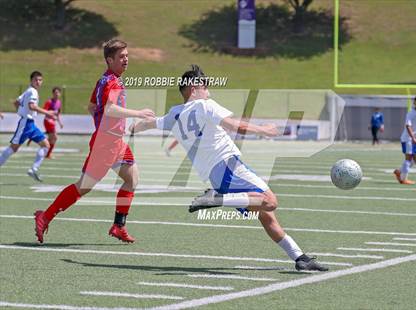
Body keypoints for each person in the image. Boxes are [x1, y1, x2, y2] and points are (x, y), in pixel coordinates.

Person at [131, 65, 328, 272]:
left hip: (215, 176)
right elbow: (234, 125)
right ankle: (217, 198)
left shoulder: (175, 114)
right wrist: (264, 130)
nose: (208, 89)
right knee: (270, 202)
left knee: (266, 215)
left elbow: (148, 124)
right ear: (193, 88)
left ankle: (300, 257)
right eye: (204, 85)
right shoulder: (205, 105)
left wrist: (133, 126)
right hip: (228, 166)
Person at [33, 39, 155, 244]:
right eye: (121, 57)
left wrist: (105, 125)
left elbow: (92, 107)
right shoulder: (110, 81)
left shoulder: (108, 79)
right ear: (109, 59)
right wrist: (137, 113)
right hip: (106, 144)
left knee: (132, 178)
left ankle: (119, 225)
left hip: (115, 142)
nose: (126, 59)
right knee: (84, 187)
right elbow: (108, 109)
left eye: (127, 55)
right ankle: (45, 216)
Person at [0, 71, 56, 182]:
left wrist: (21, 111)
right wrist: (47, 112)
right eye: (36, 79)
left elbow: (16, 102)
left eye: (40, 80)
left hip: (30, 124)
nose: (38, 82)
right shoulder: (32, 92)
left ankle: (33, 169)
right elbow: (32, 106)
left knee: (46, 145)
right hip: (26, 124)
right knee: (13, 148)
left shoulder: (28, 91)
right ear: (31, 80)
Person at [393, 95, 416, 185]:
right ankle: (403, 179)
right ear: (415, 103)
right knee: (408, 158)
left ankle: (399, 171)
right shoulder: (411, 113)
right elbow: (408, 126)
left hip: (414, 139)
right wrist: (412, 137)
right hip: (408, 139)